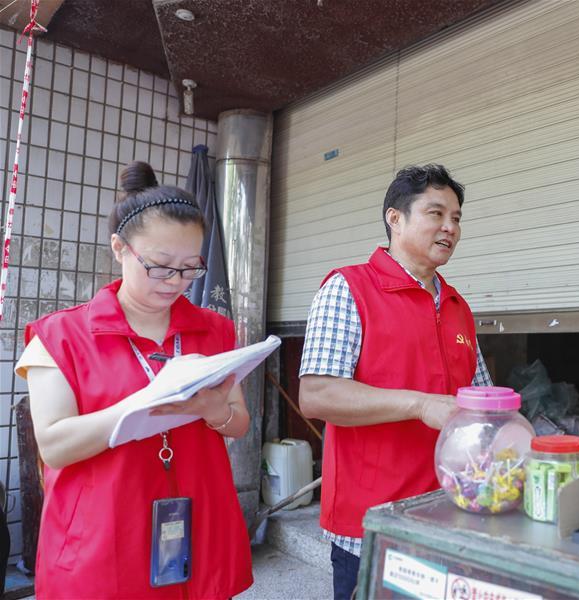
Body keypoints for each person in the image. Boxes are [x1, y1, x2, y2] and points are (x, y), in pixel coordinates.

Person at [14, 162, 253, 598]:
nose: (176, 282)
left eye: (190, 268)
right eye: (160, 266)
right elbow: (54, 445)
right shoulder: (60, 336)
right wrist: (143, 404)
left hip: (198, 516)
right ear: (119, 248)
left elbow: (238, 423)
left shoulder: (213, 329)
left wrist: (211, 409)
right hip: (103, 535)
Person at [298, 164, 493, 599]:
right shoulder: (348, 288)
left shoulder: (457, 305)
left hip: (450, 516)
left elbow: (481, 400)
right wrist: (420, 405)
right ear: (395, 218)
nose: (450, 228)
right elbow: (316, 394)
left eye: (457, 218)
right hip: (372, 522)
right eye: (436, 214)